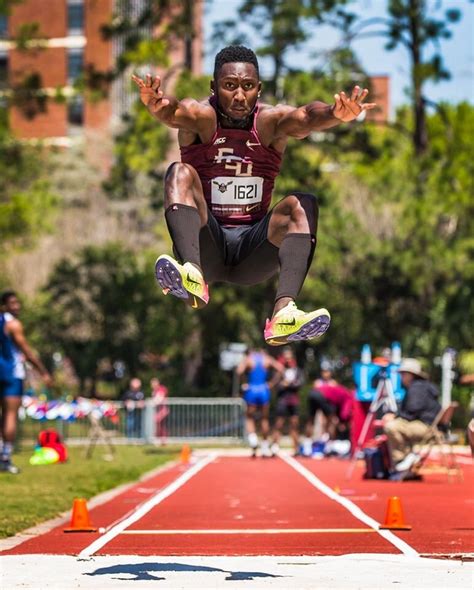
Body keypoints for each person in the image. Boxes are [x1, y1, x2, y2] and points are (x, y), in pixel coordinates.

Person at [131, 45, 376, 346]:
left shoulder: (270, 124)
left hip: (253, 252)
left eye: (247, 87)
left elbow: (307, 116)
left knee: (303, 204)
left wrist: (335, 114)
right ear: (214, 87)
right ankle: (192, 274)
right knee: (179, 172)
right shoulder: (202, 118)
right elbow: (172, 110)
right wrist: (155, 104)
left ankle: (284, 313)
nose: (238, 96)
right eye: (229, 86)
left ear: (258, 90)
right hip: (208, 244)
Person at [0, 291, 53, 474]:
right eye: (12, 303)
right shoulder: (13, 324)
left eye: (17, 302)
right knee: (10, 416)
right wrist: (43, 372)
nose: (17, 306)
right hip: (11, 374)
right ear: (4, 306)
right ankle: (5, 458)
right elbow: (27, 352)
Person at [383, 358, 441, 472]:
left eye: (403, 374)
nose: (401, 377)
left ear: (411, 375)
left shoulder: (417, 388)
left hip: (427, 427)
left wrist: (395, 417)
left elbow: (412, 411)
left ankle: (402, 461)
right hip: (431, 426)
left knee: (391, 427)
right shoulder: (424, 386)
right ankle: (408, 459)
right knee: (396, 425)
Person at [236, 348, 283, 457]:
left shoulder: (249, 359)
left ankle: (253, 440)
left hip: (251, 389)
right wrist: (271, 383)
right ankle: (265, 446)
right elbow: (281, 369)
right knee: (264, 418)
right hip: (264, 389)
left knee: (249, 417)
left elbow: (239, 371)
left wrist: (244, 382)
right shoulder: (267, 359)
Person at [304, 371, 354, 456]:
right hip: (321, 395)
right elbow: (344, 414)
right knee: (332, 419)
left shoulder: (338, 388)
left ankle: (307, 446)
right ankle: (328, 443)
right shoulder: (348, 396)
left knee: (311, 420)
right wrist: (343, 423)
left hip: (312, 393)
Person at [271, 347, 304, 456]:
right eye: (286, 358)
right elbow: (275, 385)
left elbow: (300, 383)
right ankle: (275, 446)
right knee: (279, 423)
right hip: (282, 400)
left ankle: (296, 448)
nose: (288, 360)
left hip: (293, 400)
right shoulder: (279, 371)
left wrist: (289, 384)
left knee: (294, 424)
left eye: (289, 358)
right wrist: (281, 381)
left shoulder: (297, 370)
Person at [150, 377, 169, 444]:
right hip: (158, 410)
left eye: (154, 383)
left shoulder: (161, 389)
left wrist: (151, 402)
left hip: (162, 410)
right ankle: (160, 439)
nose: (152, 384)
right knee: (159, 425)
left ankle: (162, 439)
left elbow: (159, 399)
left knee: (159, 425)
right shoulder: (154, 391)